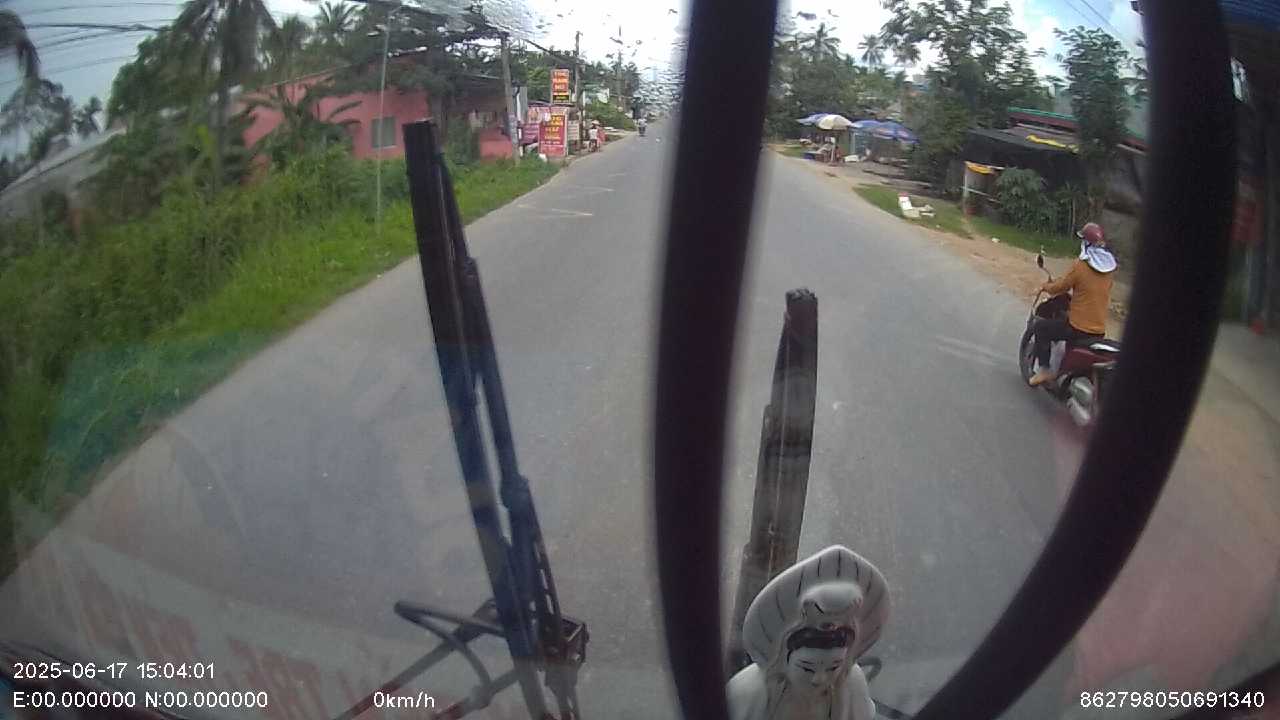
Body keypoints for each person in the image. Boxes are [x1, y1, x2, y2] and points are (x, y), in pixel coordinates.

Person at [726, 545, 888, 720]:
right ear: (783, 660)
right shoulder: (750, 692)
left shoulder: (851, 685)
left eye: (833, 667)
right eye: (807, 668)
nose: (819, 679)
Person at [1028, 222, 1118, 386]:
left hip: (1077, 328)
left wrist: (1045, 286)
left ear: (1086, 243)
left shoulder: (1080, 265)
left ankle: (1044, 370)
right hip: (1098, 331)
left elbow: (1061, 286)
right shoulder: (1110, 269)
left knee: (1041, 328)